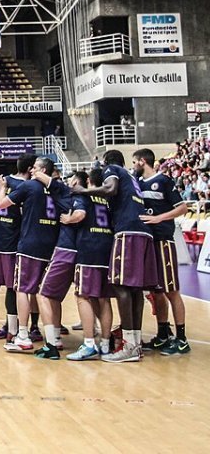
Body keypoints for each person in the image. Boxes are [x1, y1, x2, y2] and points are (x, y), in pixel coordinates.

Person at [71, 149, 158, 363]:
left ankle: (129, 345)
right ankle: (134, 342)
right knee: (135, 289)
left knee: (121, 286)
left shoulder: (113, 169)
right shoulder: (132, 177)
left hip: (127, 230)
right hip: (144, 231)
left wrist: (82, 191)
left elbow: (110, 188)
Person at [0, 158, 70, 353]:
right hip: (51, 246)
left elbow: (2, 205)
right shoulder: (58, 189)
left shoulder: (29, 186)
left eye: (36, 167)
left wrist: (2, 188)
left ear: (43, 170)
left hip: (30, 244)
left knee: (22, 289)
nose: (32, 169)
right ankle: (54, 336)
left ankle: (22, 335)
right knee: (48, 294)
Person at [134, 148, 191, 355]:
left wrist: (159, 218)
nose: (133, 167)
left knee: (171, 290)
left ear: (142, 161)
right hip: (148, 242)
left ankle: (182, 338)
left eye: (135, 162)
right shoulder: (138, 184)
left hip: (163, 240)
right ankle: (162, 334)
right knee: (156, 291)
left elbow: (182, 208)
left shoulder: (164, 181)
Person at [34, 172, 88, 360]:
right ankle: (58, 337)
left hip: (66, 250)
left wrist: (35, 171)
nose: (66, 182)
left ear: (75, 182)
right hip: (83, 252)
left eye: (70, 180)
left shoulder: (73, 196)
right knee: (56, 296)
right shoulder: (91, 198)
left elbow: (79, 214)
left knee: (42, 295)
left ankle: (50, 345)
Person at [0, 154, 36, 343]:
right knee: (14, 287)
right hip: (12, 243)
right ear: (30, 169)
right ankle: (12, 330)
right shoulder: (26, 187)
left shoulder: (1, 183)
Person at [67, 169, 115, 361]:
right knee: (103, 299)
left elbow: (79, 214)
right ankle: (105, 344)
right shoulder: (108, 200)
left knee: (83, 296)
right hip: (107, 248)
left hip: (89, 249)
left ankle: (88, 344)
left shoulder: (83, 195)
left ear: (88, 181)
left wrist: (68, 219)